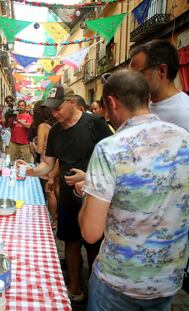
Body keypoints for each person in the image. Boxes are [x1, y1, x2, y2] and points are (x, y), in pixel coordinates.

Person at [78, 70, 189, 311]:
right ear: (147, 99)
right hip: (167, 280)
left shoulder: (110, 148)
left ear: (112, 102)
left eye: (105, 109)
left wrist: (88, 192)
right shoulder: (187, 139)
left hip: (119, 282)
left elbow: (90, 232)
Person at [22, 85, 112, 302]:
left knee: (94, 245)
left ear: (72, 102)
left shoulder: (95, 124)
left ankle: (94, 286)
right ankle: (74, 287)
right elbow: (47, 165)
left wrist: (87, 176)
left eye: (58, 108)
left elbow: (114, 162)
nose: (54, 113)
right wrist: (29, 171)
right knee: (70, 242)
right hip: (67, 197)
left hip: (94, 196)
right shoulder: (55, 131)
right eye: (51, 110)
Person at [129, 39, 189, 150]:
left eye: (138, 74)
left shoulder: (188, 113)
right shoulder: (145, 106)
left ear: (162, 70)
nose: (133, 80)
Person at [31, 102, 58, 228]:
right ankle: (55, 217)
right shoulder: (53, 125)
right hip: (56, 162)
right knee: (54, 190)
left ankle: (52, 220)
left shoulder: (42, 126)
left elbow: (40, 150)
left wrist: (33, 146)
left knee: (49, 192)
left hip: (47, 163)